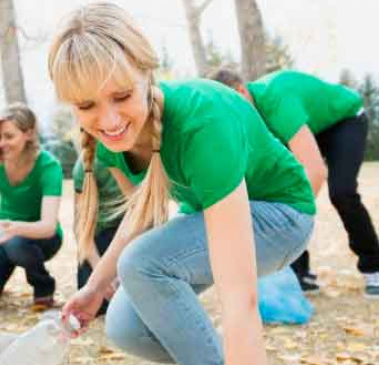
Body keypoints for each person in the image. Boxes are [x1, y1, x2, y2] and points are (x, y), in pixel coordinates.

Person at [48, 3, 316, 364]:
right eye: (86, 105)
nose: (108, 119)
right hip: (207, 215)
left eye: (121, 96)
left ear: (147, 75)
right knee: (126, 325)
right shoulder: (112, 139)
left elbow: (239, 298)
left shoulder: (203, 121)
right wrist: (95, 287)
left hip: (283, 217)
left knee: (141, 263)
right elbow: (142, 215)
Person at [213, 69, 379, 297]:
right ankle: (299, 273)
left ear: (241, 90)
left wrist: (291, 220)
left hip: (344, 121)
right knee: (280, 195)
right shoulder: (247, 115)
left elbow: (315, 171)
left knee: (342, 191)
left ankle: (374, 267)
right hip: (307, 129)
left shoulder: (276, 98)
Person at [0, 103, 63, 310]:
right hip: (4, 235)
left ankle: (43, 285)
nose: (1, 143)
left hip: (42, 239)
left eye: (9, 136)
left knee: (16, 243)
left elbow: (48, 227)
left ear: (29, 133)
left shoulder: (48, 166)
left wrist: (15, 228)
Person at [73, 152, 124, 316]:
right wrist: (100, 271)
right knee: (94, 303)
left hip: (136, 232)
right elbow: (82, 227)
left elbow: (153, 219)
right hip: (101, 233)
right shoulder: (87, 165)